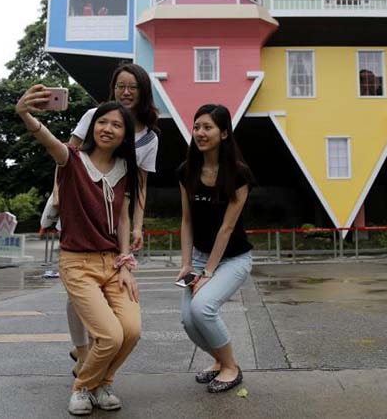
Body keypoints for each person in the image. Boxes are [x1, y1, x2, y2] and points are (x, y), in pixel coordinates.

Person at [17, 88, 142, 415]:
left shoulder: (125, 171)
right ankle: (82, 387)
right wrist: (25, 114)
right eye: (102, 121)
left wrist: (126, 262)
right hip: (77, 263)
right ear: (92, 126)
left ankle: (102, 382)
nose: (108, 128)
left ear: (125, 135)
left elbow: (125, 218)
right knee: (110, 336)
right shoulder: (71, 160)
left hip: (113, 263)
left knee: (131, 330)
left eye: (117, 125)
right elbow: (49, 141)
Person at [62, 63, 160, 379]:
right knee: (77, 289)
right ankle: (82, 351)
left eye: (133, 87)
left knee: (112, 288)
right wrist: (56, 204)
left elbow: (139, 187)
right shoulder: (94, 116)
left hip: (115, 215)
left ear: (143, 91)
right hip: (79, 209)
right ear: (113, 88)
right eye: (120, 86)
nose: (126, 92)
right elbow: (67, 158)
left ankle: (97, 354)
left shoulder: (149, 138)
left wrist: (137, 226)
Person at [176, 104, 255, 393]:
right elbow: (186, 221)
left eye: (207, 127)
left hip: (233, 259)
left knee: (203, 308)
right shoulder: (187, 171)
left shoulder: (238, 174)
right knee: (188, 320)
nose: (200, 133)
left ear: (223, 133)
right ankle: (219, 362)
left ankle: (231, 367)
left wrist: (208, 272)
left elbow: (227, 228)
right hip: (198, 257)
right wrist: (187, 264)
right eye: (197, 127)